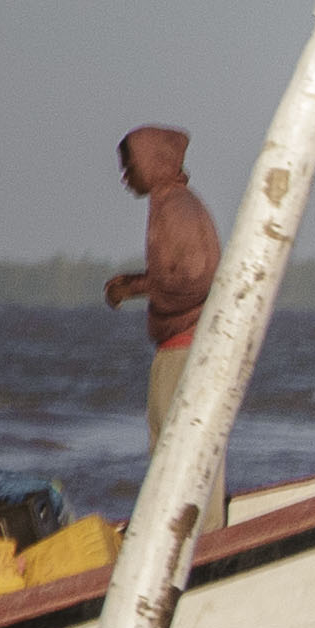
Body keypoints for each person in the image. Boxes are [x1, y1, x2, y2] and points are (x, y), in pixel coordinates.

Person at [101, 125, 224, 537]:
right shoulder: (170, 204)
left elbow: (196, 278)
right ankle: (180, 541)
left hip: (187, 351)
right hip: (180, 349)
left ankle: (196, 549)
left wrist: (136, 287)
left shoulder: (178, 208)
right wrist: (138, 283)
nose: (125, 178)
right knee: (172, 456)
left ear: (152, 163)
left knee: (184, 458)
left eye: (129, 166)